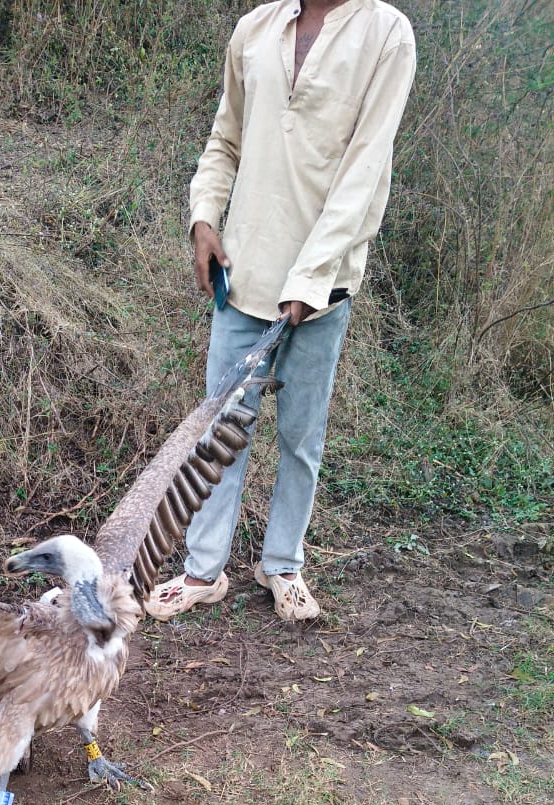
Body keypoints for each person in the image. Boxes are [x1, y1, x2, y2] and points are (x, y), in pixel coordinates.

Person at [145, 0, 416, 624]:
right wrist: (205, 218)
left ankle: (282, 565)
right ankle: (202, 571)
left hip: (323, 289)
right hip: (245, 271)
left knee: (301, 435)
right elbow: (225, 139)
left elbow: (364, 171)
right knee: (219, 430)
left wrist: (313, 275)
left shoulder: (386, 34)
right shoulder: (256, 28)